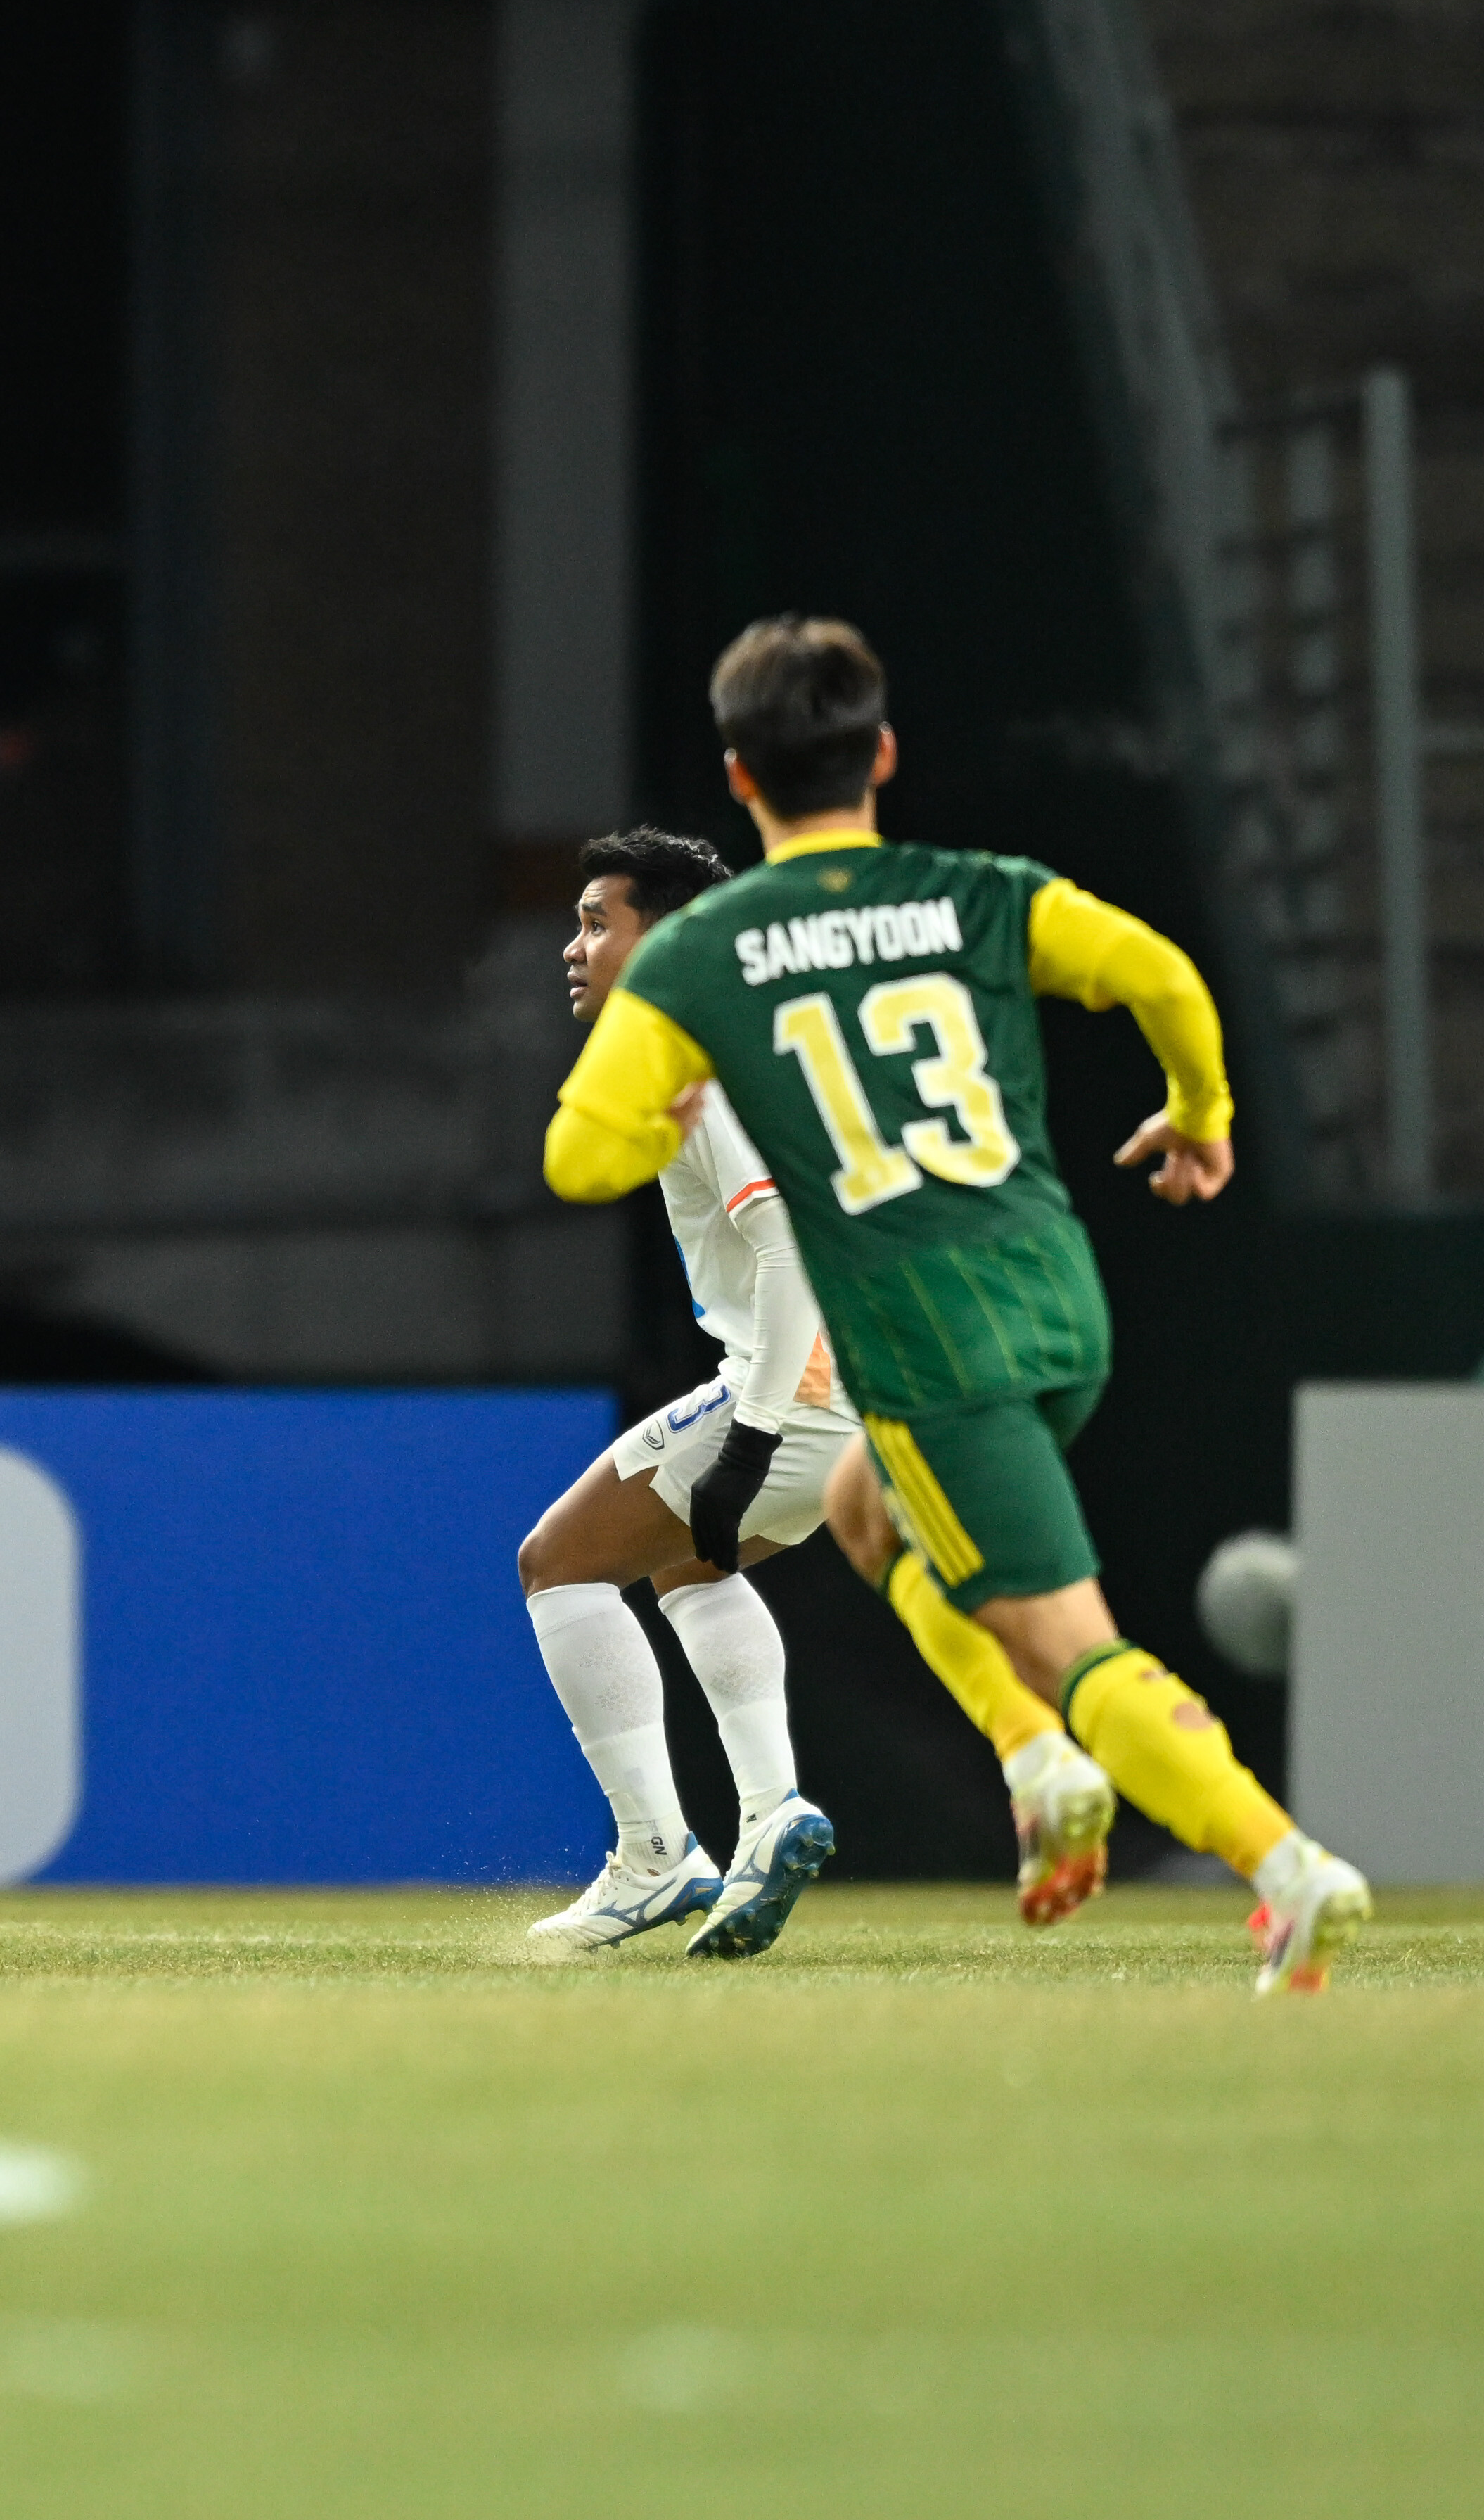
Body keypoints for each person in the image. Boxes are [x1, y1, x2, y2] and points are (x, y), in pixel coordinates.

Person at [546, 616, 1373, 1994]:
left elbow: (580, 1161)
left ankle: (1283, 1865)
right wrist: (1198, 1112)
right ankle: (1034, 1760)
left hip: (927, 1338)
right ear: (879, 754)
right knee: (866, 1513)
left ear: (739, 778)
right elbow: (1162, 976)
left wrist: (662, 1100)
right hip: (1055, 1294)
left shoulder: (707, 955)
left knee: (1065, 1638)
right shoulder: (975, 891)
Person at [513, 826, 843, 1959]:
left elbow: (784, 1244)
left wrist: (751, 1434)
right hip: (861, 1390)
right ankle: (770, 1811)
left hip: (794, 1386)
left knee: (555, 1563)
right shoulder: (747, 1040)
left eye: (595, 922)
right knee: (689, 1565)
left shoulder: (696, 1067)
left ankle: (653, 1855)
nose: (572, 947)